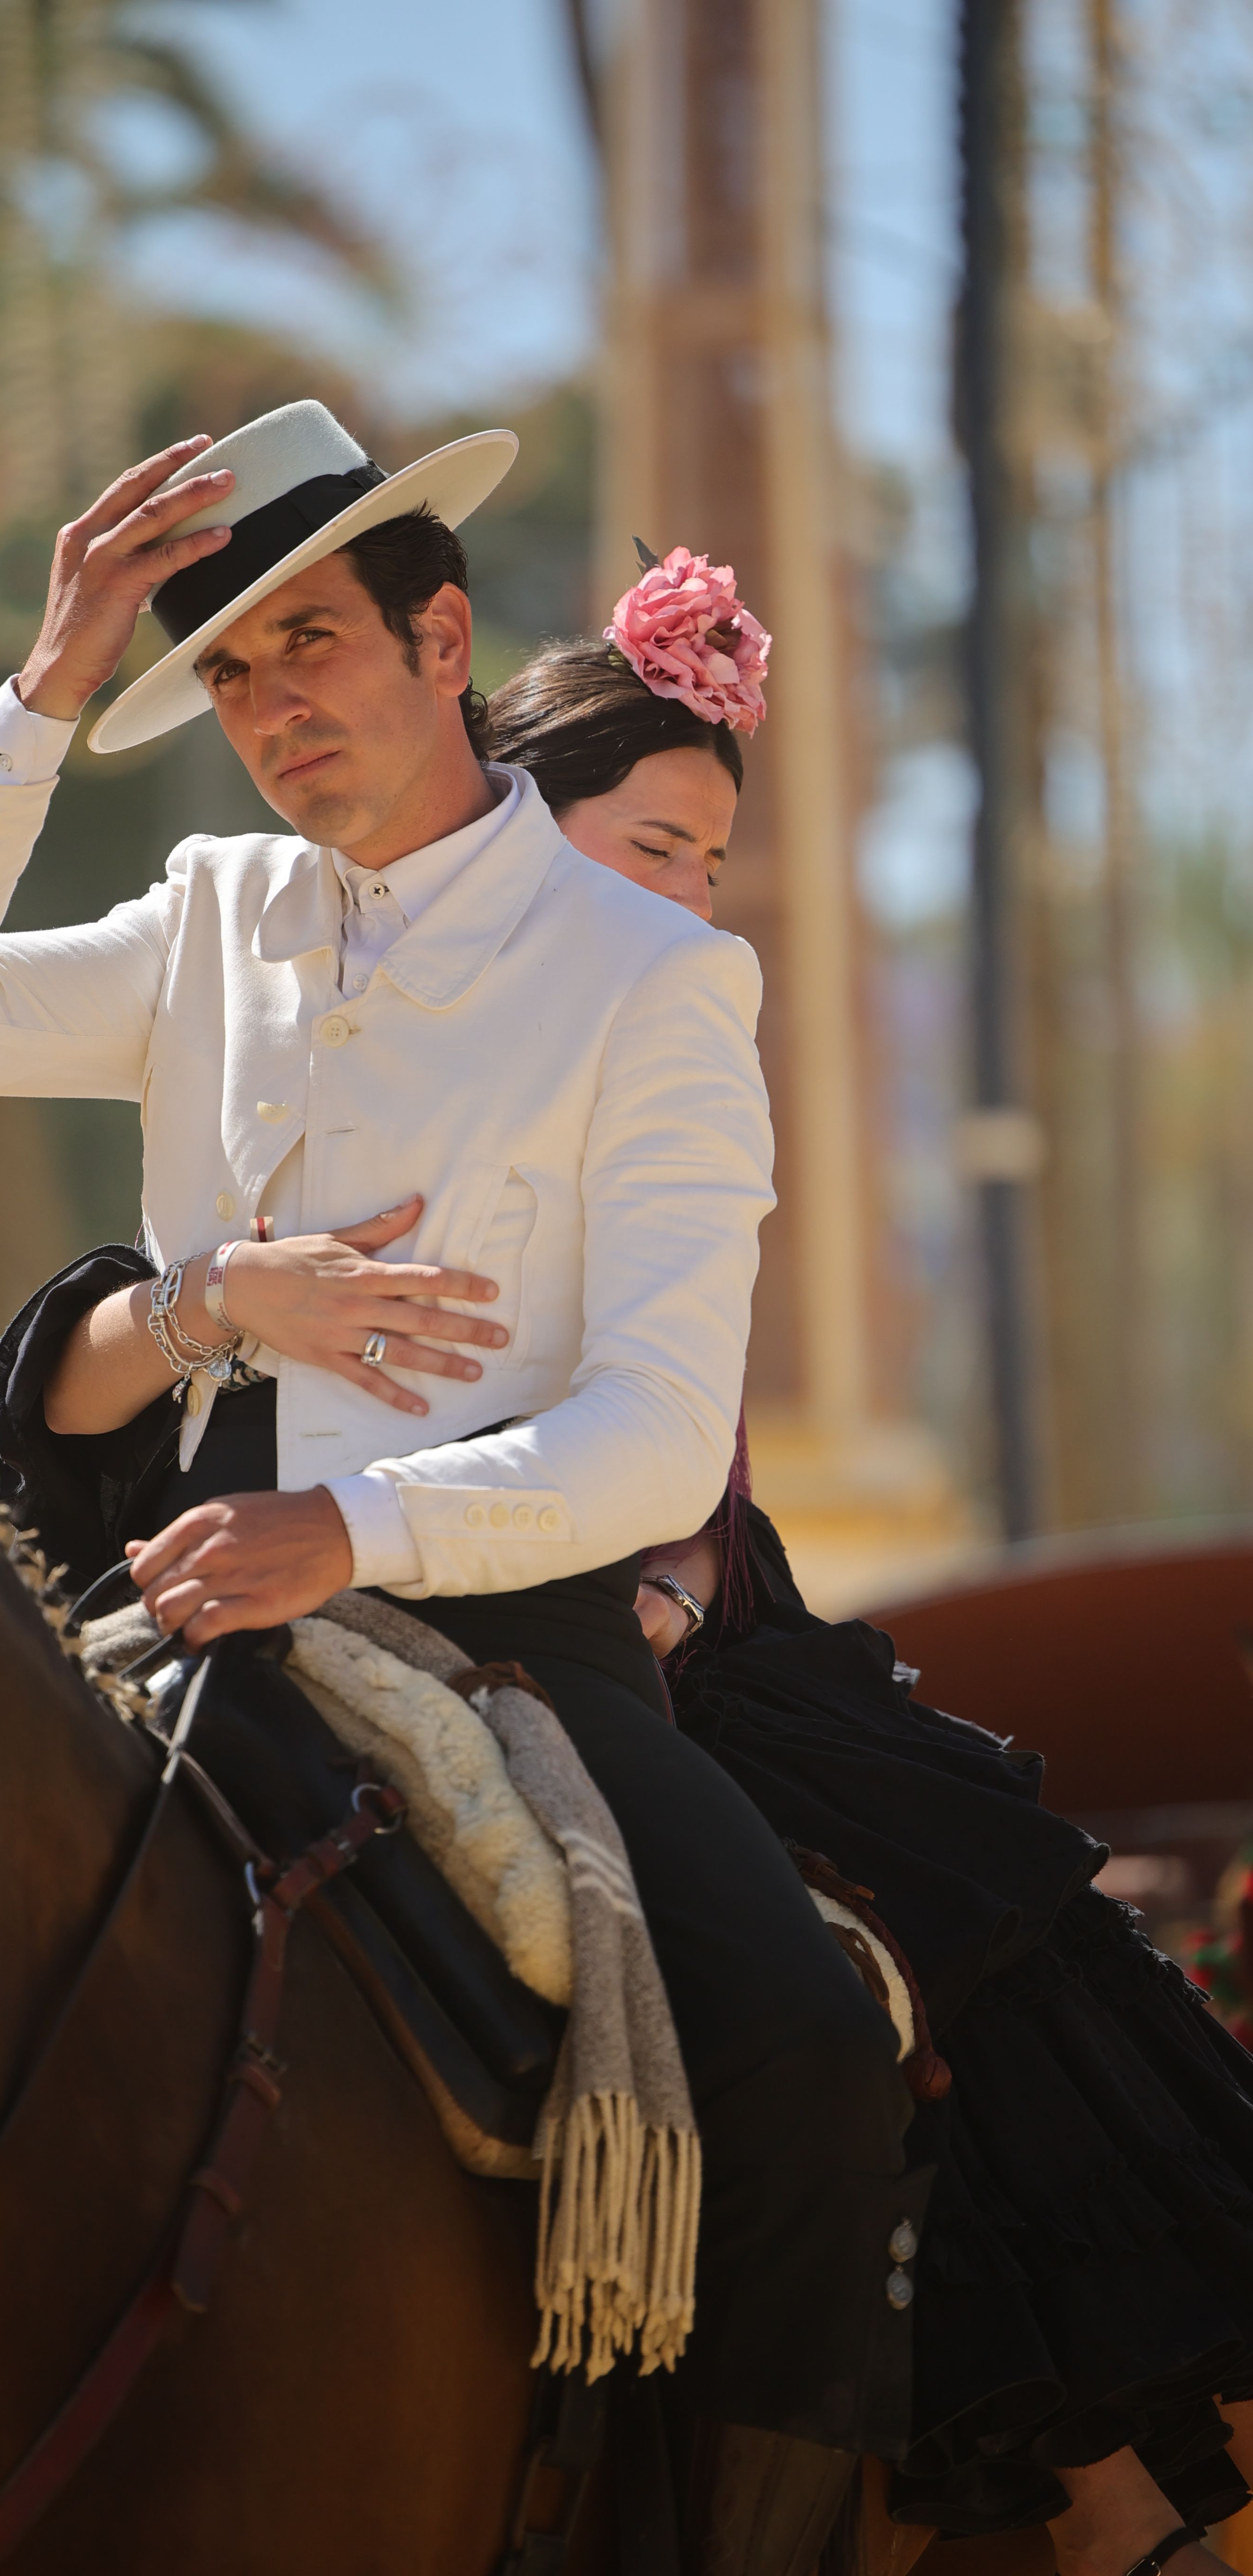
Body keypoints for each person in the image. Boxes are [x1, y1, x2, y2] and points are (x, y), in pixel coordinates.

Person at [0, 400, 924, 2565]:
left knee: (802, 2047)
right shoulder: (208, 907)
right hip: (158, 1617)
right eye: (224, 674)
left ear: (444, 639)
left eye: (307, 642)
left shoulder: (662, 981)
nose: (266, 708)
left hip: (514, 1644)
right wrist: (49, 686)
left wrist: (350, 1530)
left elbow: (660, 1434)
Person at [482, 561, 1253, 2576]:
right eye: (657, 845)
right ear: (518, 827)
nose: (694, 898)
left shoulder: (674, 1047)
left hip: (675, 1613)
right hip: (429, 1592)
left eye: (715, 863)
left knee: (939, 1957)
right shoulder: (396, 1036)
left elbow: (679, 1418)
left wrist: (644, 1593)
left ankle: (1085, 2501)